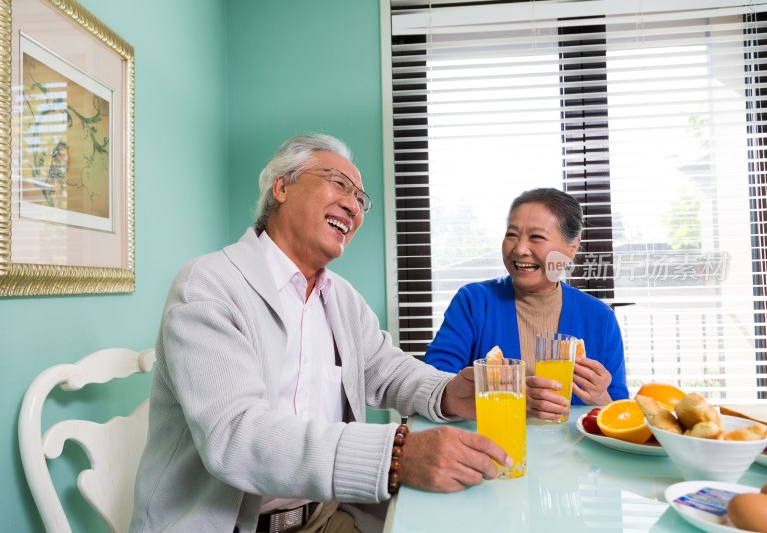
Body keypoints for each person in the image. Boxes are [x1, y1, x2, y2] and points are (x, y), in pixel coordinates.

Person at [130, 134, 510, 533]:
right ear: (282, 186)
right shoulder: (208, 286)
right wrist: (395, 455)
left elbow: (388, 370)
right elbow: (238, 437)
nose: (353, 206)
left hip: (326, 517)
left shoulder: (340, 297)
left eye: (361, 199)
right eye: (340, 184)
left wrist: (449, 391)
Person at [424, 188, 628, 421]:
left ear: (571, 248)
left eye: (536, 237)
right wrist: (509, 396)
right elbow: (434, 382)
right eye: (512, 234)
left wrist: (600, 398)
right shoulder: (474, 301)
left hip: (574, 454)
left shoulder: (600, 317)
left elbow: (620, 414)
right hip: (491, 448)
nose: (520, 249)